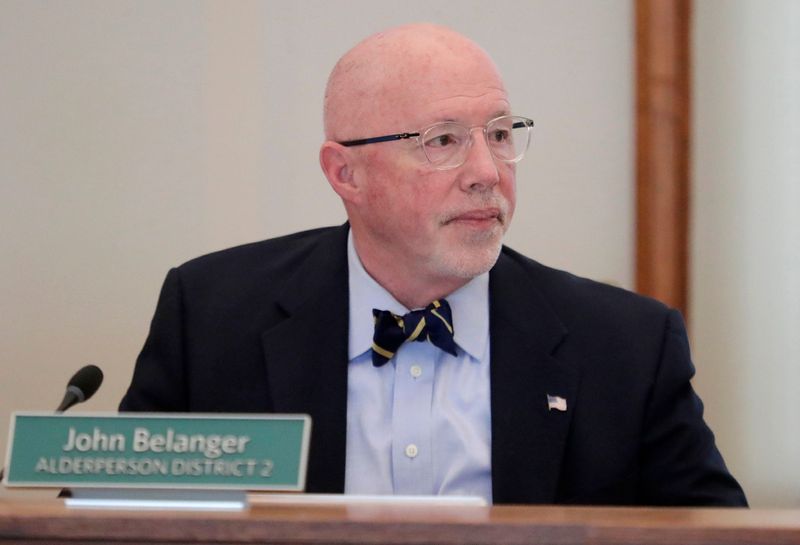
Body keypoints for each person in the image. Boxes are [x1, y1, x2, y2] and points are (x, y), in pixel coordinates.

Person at [120, 23, 747, 506]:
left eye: (500, 135)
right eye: (442, 141)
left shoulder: (627, 346)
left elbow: (712, 536)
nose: (486, 173)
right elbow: (121, 518)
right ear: (347, 173)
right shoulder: (211, 315)